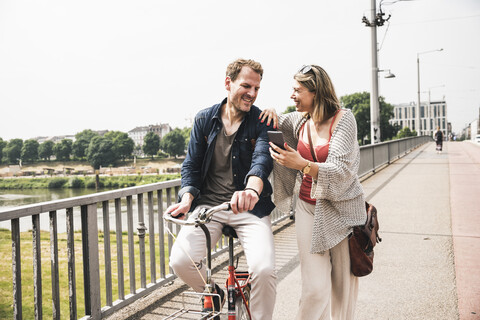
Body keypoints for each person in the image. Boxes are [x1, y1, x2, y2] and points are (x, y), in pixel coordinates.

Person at [166, 58, 277, 320]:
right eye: (246, 85)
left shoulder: (262, 121)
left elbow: (262, 159)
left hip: (250, 208)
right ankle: (214, 292)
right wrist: (187, 198)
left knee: (264, 270)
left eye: (257, 88)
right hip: (209, 207)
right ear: (228, 83)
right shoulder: (205, 119)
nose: (252, 93)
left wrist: (251, 190)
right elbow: (191, 165)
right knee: (180, 261)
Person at [265, 65, 366, 320]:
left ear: (316, 92)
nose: (292, 95)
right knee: (315, 290)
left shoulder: (344, 119)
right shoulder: (299, 119)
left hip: (341, 211)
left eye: (297, 90)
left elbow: (342, 170)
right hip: (307, 207)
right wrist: (271, 112)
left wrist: (302, 164)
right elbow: (275, 122)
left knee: (343, 291)